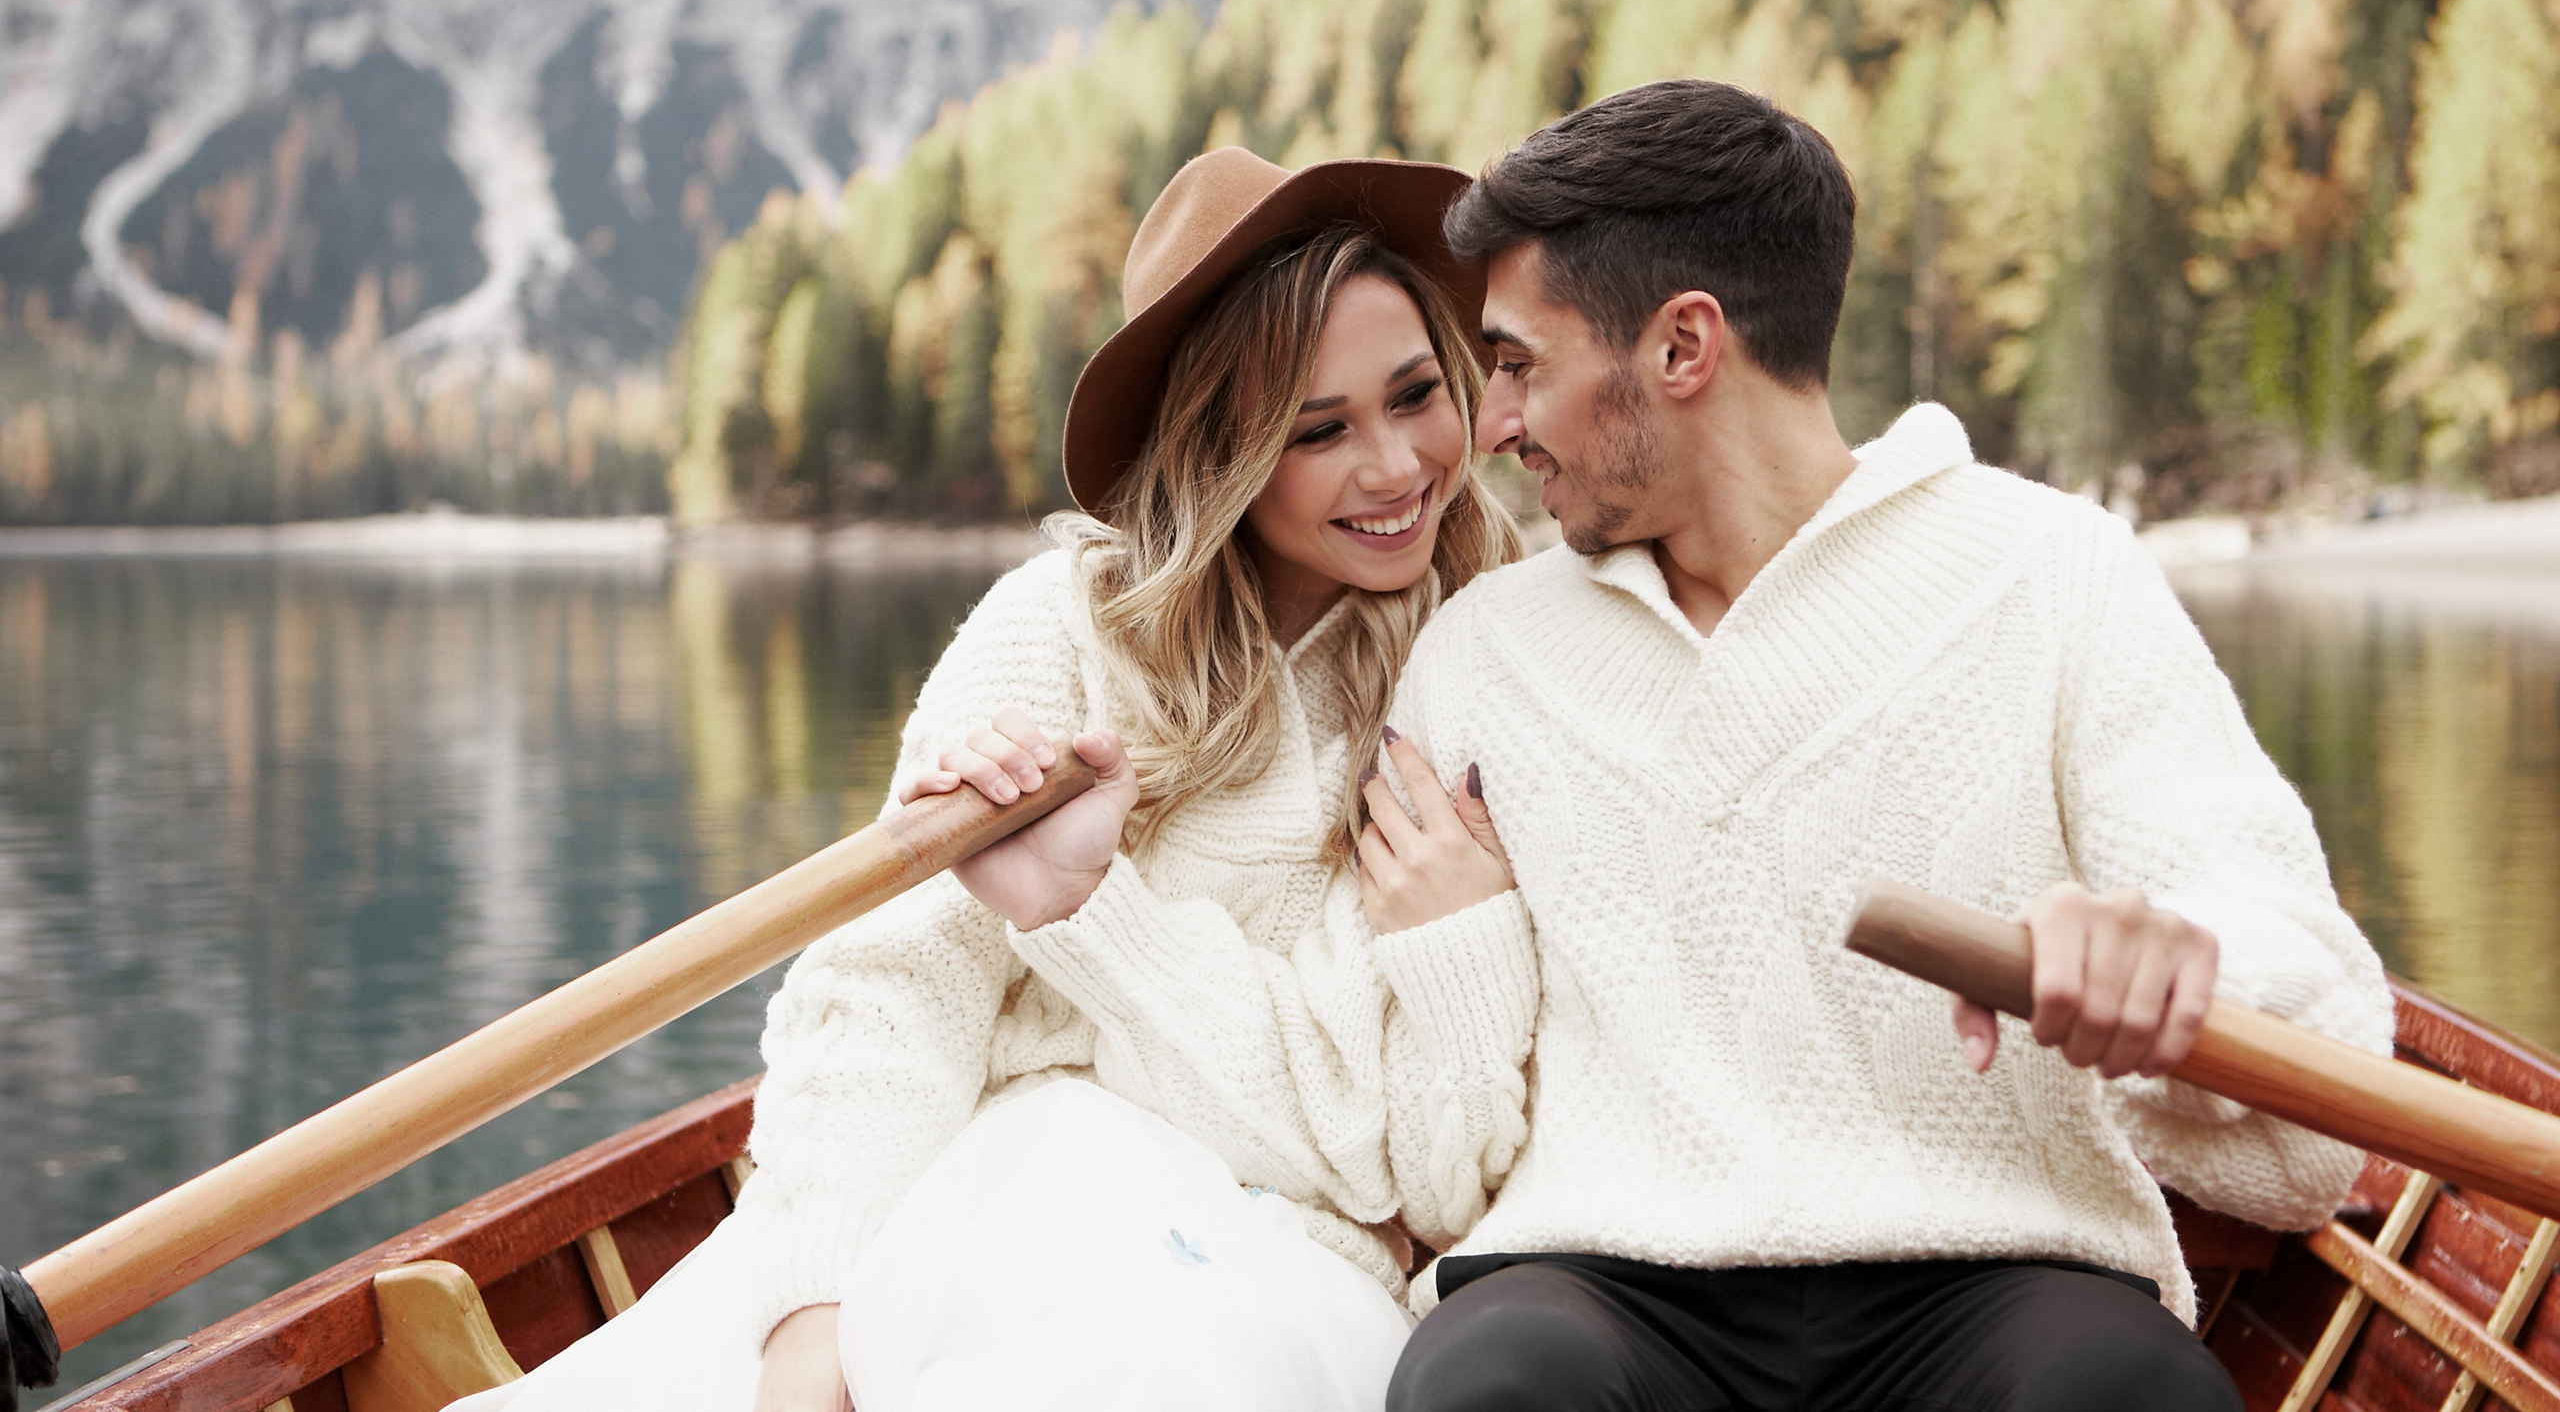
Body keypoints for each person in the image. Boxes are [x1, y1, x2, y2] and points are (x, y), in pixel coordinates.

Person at [1369, 79, 2394, 1411]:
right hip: (1602, 1281)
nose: (1495, 425)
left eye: (1518, 364)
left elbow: (2316, 1119)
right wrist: (1451, 954)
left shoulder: (2054, 570)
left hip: (2000, 1275)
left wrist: (2178, 967)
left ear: (1684, 346)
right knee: (1490, 1383)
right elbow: (1436, 1178)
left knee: (2127, 1397)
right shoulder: (1478, 651)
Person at [466, 146, 1534, 1412]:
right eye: (1319, 432)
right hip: (988, 1201)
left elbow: (1400, 1169)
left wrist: (1091, 916)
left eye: (1416, 395)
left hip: (1279, 1277)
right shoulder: (1059, 630)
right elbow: (894, 996)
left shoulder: (1489, 664)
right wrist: (811, 1308)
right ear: (1222, 453)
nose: (1398, 466)